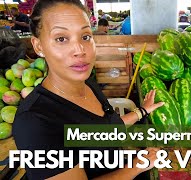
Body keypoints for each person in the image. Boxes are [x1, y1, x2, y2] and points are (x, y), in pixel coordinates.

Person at [12, 0, 164, 179]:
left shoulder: (87, 84)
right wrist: (137, 166)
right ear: (38, 46)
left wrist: (142, 111)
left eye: (85, 36)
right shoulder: (34, 122)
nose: (79, 50)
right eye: (61, 39)